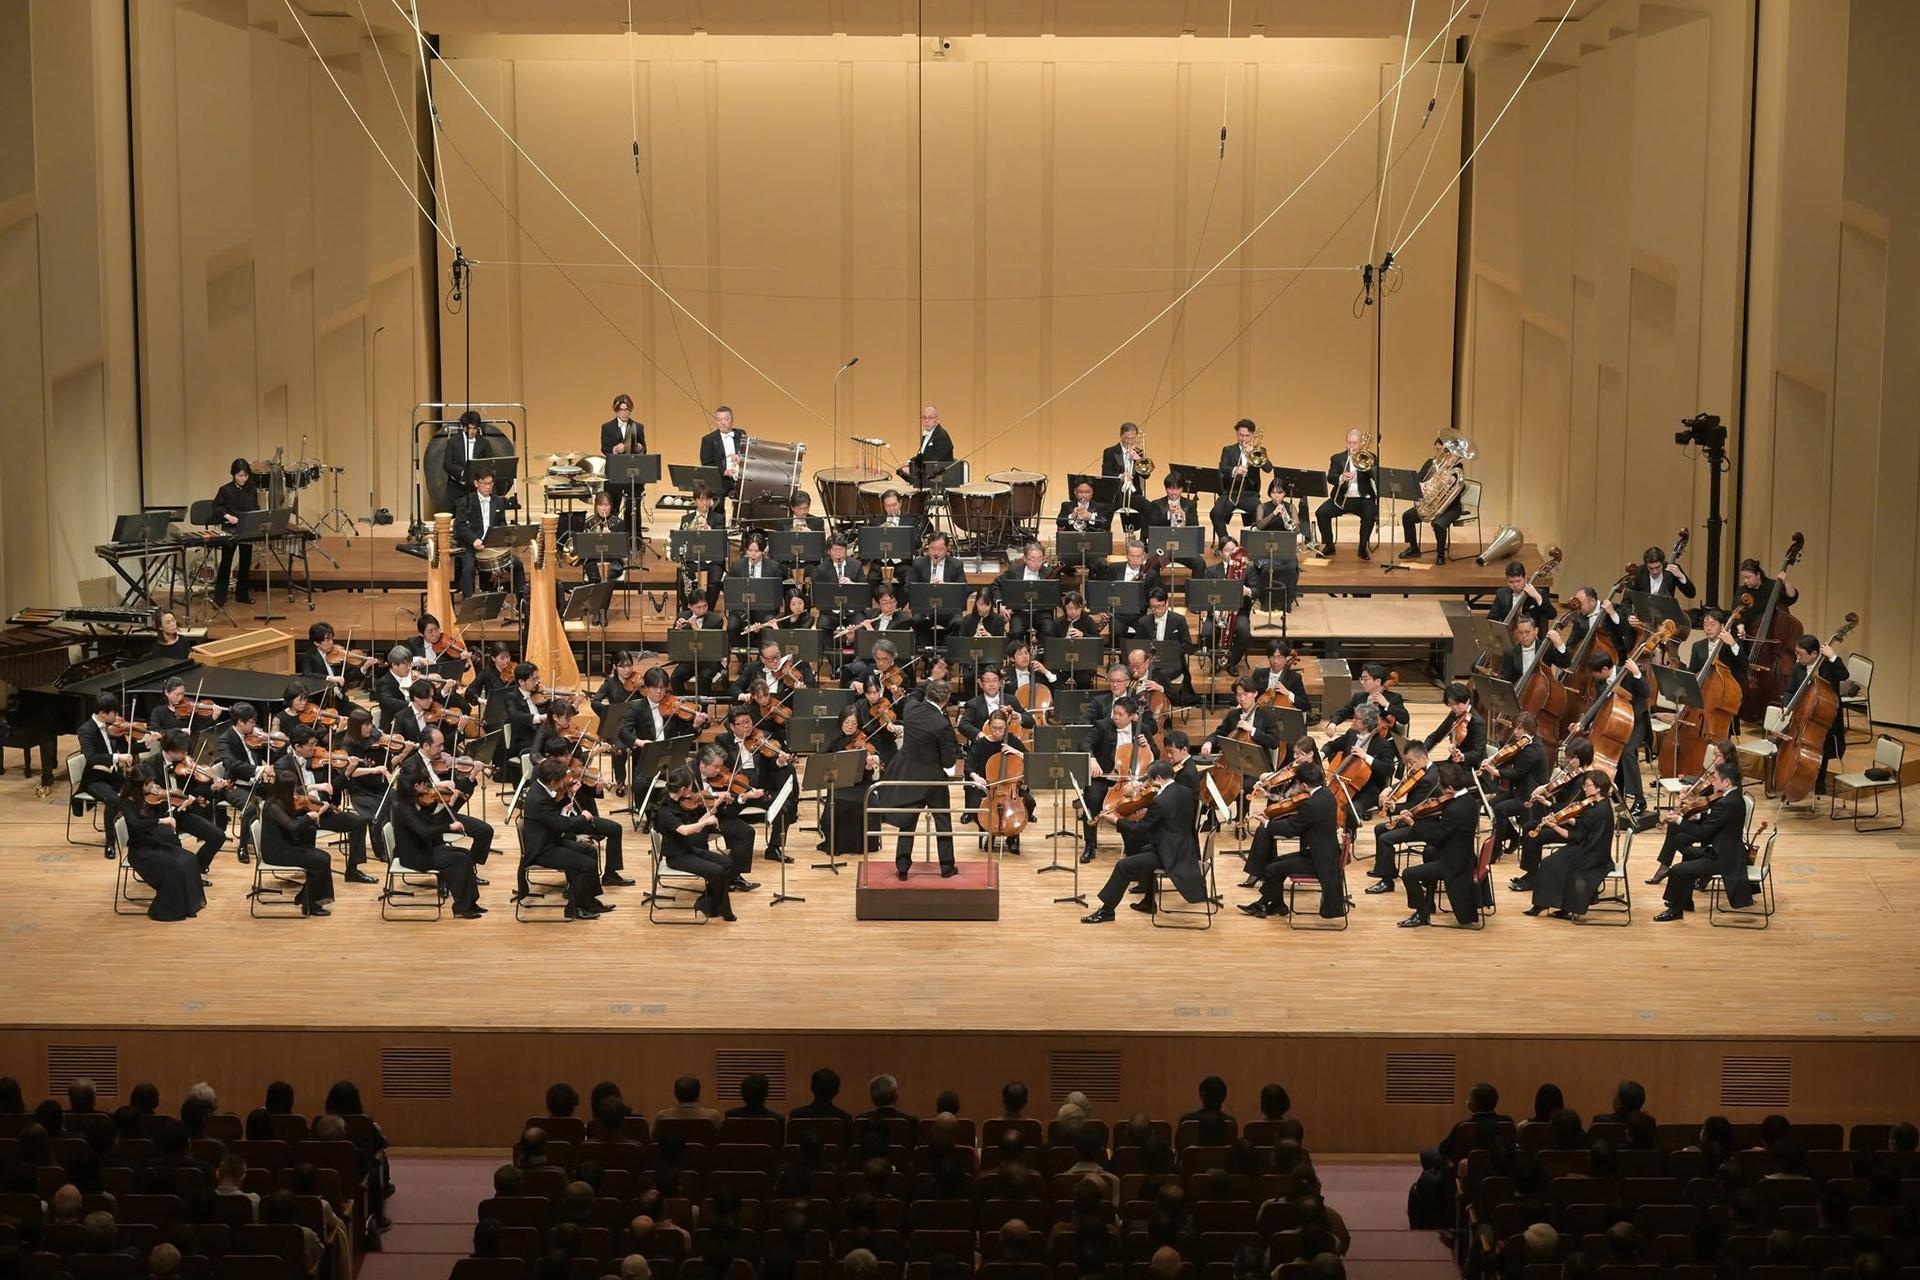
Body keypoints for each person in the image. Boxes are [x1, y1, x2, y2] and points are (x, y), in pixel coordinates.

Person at [1080, 762, 1205, 923]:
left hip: (1170, 854)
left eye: (1151, 781)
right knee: (1142, 850)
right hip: (1184, 848)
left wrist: (1116, 821)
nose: (1148, 785)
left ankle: (1107, 911)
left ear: (1159, 778)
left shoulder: (1160, 801)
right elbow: (1171, 817)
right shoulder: (1185, 792)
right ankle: (1148, 901)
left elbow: (1141, 830)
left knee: (1123, 866)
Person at [1242, 759, 1342, 919]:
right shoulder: (1328, 796)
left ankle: (1270, 905)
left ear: (1304, 785)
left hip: (1318, 861)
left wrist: (1266, 823)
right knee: (1275, 865)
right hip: (1325, 853)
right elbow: (1300, 822)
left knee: (1272, 869)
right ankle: (1273, 904)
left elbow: (1291, 828)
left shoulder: (1312, 804)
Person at [882, 679, 959, 879]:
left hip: (909, 776)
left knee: (908, 822)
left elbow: (914, 693)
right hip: (933, 780)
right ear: (947, 699)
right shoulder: (942, 724)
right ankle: (947, 867)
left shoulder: (911, 709)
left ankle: (902, 867)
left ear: (928, 694)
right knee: (943, 822)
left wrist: (931, 678)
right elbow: (949, 760)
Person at [520, 757, 614, 920]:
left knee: (589, 851)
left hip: (550, 840)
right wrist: (583, 817)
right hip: (542, 849)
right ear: (552, 781)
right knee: (586, 865)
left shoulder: (541, 788)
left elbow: (552, 810)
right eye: (561, 780)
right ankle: (574, 908)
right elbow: (562, 825)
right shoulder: (538, 799)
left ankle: (588, 901)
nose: (564, 782)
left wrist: (569, 794)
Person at [1654, 762, 1751, 920]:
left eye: (1717, 779)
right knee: (1684, 847)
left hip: (1723, 857)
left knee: (1677, 870)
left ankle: (1675, 909)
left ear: (1727, 783)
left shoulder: (1728, 803)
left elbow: (1702, 833)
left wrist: (1679, 819)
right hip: (1722, 849)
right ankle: (1685, 900)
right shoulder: (1731, 797)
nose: (1713, 782)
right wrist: (1696, 816)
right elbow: (1716, 820)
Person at [1398, 762, 1483, 927]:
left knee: (1408, 874)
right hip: (1463, 855)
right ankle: (1429, 903)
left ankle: (1421, 914)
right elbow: (1445, 828)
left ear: (1450, 788)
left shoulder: (1455, 808)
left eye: (1442, 788)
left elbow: (1437, 836)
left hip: (1455, 864)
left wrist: (1413, 825)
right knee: (1429, 853)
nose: (1441, 792)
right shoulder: (1470, 801)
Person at [392, 773, 486, 918]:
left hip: (424, 849)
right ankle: (462, 908)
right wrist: (449, 827)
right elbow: (424, 832)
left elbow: (430, 821)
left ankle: (471, 902)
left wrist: (444, 804)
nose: (427, 788)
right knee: (458, 860)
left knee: (465, 854)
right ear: (416, 786)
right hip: (414, 856)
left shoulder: (415, 803)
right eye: (424, 784)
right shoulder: (404, 809)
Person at [652, 767, 738, 922]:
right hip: (677, 856)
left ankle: (707, 902)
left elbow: (697, 824)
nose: (693, 790)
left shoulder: (679, 802)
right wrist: (706, 822)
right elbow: (684, 830)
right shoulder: (665, 811)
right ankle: (718, 908)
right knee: (718, 871)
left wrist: (715, 805)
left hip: (687, 849)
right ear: (684, 789)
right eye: (691, 786)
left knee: (728, 862)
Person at [1526, 770, 1614, 918]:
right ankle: (1560, 906)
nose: (1585, 789)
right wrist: (1563, 819)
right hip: (1591, 847)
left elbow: (1572, 835)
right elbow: (1584, 824)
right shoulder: (1600, 804)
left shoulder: (1597, 810)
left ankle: (1543, 905)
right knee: (1555, 862)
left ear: (1598, 788)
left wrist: (1554, 826)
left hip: (1591, 853)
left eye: (1588, 785)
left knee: (1549, 864)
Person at [118, 778, 206, 921]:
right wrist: (160, 821)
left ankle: (188, 904)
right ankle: (165, 909)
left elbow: (161, 818)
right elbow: (136, 823)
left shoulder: (144, 801)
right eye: (149, 784)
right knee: (176, 867)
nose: (153, 786)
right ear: (140, 785)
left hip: (153, 843)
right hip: (140, 852)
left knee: (190, 859)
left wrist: (179, 808)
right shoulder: (126, 802)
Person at [1776, 633, 1850, 795]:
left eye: (1801, 654)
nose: (1797, 658)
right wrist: (1787, 707)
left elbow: (1845, 675)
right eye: (1796, 653)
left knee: (1820, 748)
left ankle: (1819, 786)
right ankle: (1783, 781)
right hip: (1802, 717)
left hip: (1825, 720)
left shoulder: (1828, 667)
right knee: (1779, 741)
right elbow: (1789, 691)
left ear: (1815, 654)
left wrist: (1833, 657)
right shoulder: (1797, 669)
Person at [257, 773, 337, 916]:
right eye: (293, 789)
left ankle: (305, 897)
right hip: (276, 852)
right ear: (286, 789)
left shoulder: (280, 801)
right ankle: (311, 905)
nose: (296, 792)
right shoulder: (273, 806)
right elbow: (292, 826)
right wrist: (308, 817)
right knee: (320, 860)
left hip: (285, 846)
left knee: (323, 857)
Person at [1364, 742, 1438, 894]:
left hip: (1422, 823)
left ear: (1423, 758)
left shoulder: (1429, 778)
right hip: (1413, 817)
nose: (1408, 766)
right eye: (1407, 762)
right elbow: (1406, 782)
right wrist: (1389, 789)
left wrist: (1392, 807)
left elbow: (1413, 806)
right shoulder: (1421, 770)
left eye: (1411, 762)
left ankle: (1387, 882)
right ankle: (1384, 869)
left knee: (1386, 838)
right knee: (1379, 829)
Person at [1399, 437, 1466, 564]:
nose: (1444, 453)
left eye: (1445, 450)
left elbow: (1461, 488)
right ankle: (1414, 548)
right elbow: (1418, 479)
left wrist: (1447, 484)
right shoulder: (1431, 463)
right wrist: (1424, 485)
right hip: (1430, 504)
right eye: (1439, 449)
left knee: (1438, 523)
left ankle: (1440, 554)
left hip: (1450, 507)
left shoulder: (1458, 467)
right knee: (1407, 516)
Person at [455, 471, 521, 599]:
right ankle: (469, 603)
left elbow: (501, 522)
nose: (488, 487)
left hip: (492, 543)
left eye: (490, 483)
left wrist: (505, 534)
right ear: (476, 483)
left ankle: (522, 601)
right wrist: (474, 540)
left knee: (517, 564)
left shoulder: (498, 502)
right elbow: (460, 526)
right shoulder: (465, 502)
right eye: (484, 483)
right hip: (472, 545)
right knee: (468, 567)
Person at [1314, 429, 1377, 559]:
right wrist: (1341, 477)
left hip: (1363, 498)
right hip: (1343, 497)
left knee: (1370, 514)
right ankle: (1329, 545)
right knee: (1321, 512)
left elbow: (1377, 477)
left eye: (1354, 443)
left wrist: (1369, 467)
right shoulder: (1337, 458)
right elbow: (1330, 477)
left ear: (1360, 443)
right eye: (1348, 442)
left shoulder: (1370, 457)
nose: (1351, 446)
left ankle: (1362, 547)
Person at [210, 457, 258, 607]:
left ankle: (242, 594)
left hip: (246, 528)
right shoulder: (225, 490)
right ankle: (219, 598)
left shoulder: (252, 489)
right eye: (239, 475)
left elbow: (255, 506)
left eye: (245, 475)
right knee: (226, 562)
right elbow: (217, 507)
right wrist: (228, 516)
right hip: (230, 529)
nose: (243, 478)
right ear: (233, 474)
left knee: (245, 562)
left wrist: (253, 517)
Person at [1210, 418, 1263, 547]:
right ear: (1237, 434)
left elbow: (1268, 468)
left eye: (1247, 435)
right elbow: (1223, 468)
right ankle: (1225, 542)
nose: (1243, 438)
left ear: (1252, 435)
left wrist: (1252, 453)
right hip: (1230, 492)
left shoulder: (1258, 451)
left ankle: (1253, 544)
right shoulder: (1228, 450)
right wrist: (1235, 469)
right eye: (1240, 435)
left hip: (1250, 494)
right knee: (1215, 512)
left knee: (1261, 512)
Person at [698, 406, 746, 517]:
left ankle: (739, 524)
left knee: (747, 496)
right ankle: (719, 528)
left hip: (739, 477)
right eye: (719, 420)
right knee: (717, 501)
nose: (723, 423)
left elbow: (748, 455)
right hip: (720, 479)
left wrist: (741, 458)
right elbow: (706, 463)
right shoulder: (708, 439)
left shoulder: (741, 434)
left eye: (726, 419)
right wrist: (725, 472)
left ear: (732, 420)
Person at [444, 409, 493, 506]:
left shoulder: (484, 443)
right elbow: (447, 464)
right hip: (457, 487)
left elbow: (490, 462)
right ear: (463, 427)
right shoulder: (453, 442)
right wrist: (462, 473)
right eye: (469, 428)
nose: (472, 431)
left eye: (474, 428)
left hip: (477, 487)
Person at [1488, 562, 1556, 630]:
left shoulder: (1539, 593)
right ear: (1507, 580)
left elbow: (1552, 615)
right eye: (1511, 582)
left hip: (1532, 636)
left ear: (1525, 578)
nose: (1515, 585)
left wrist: (1538, 598)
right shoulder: (1502, 593)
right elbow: (1492, 618)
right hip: (1510, 634)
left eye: (1518, 581)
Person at [899, 404, 955, 486]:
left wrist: (912, 470)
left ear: (937, 419)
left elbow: (933, 463)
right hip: (928, 472)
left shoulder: (941, 436)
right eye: (924, 418)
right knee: (902, 470)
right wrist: (909, 462)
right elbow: (922, 455)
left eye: (930, 418)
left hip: (939, 478)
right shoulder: (927, 434)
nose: (927, 420)